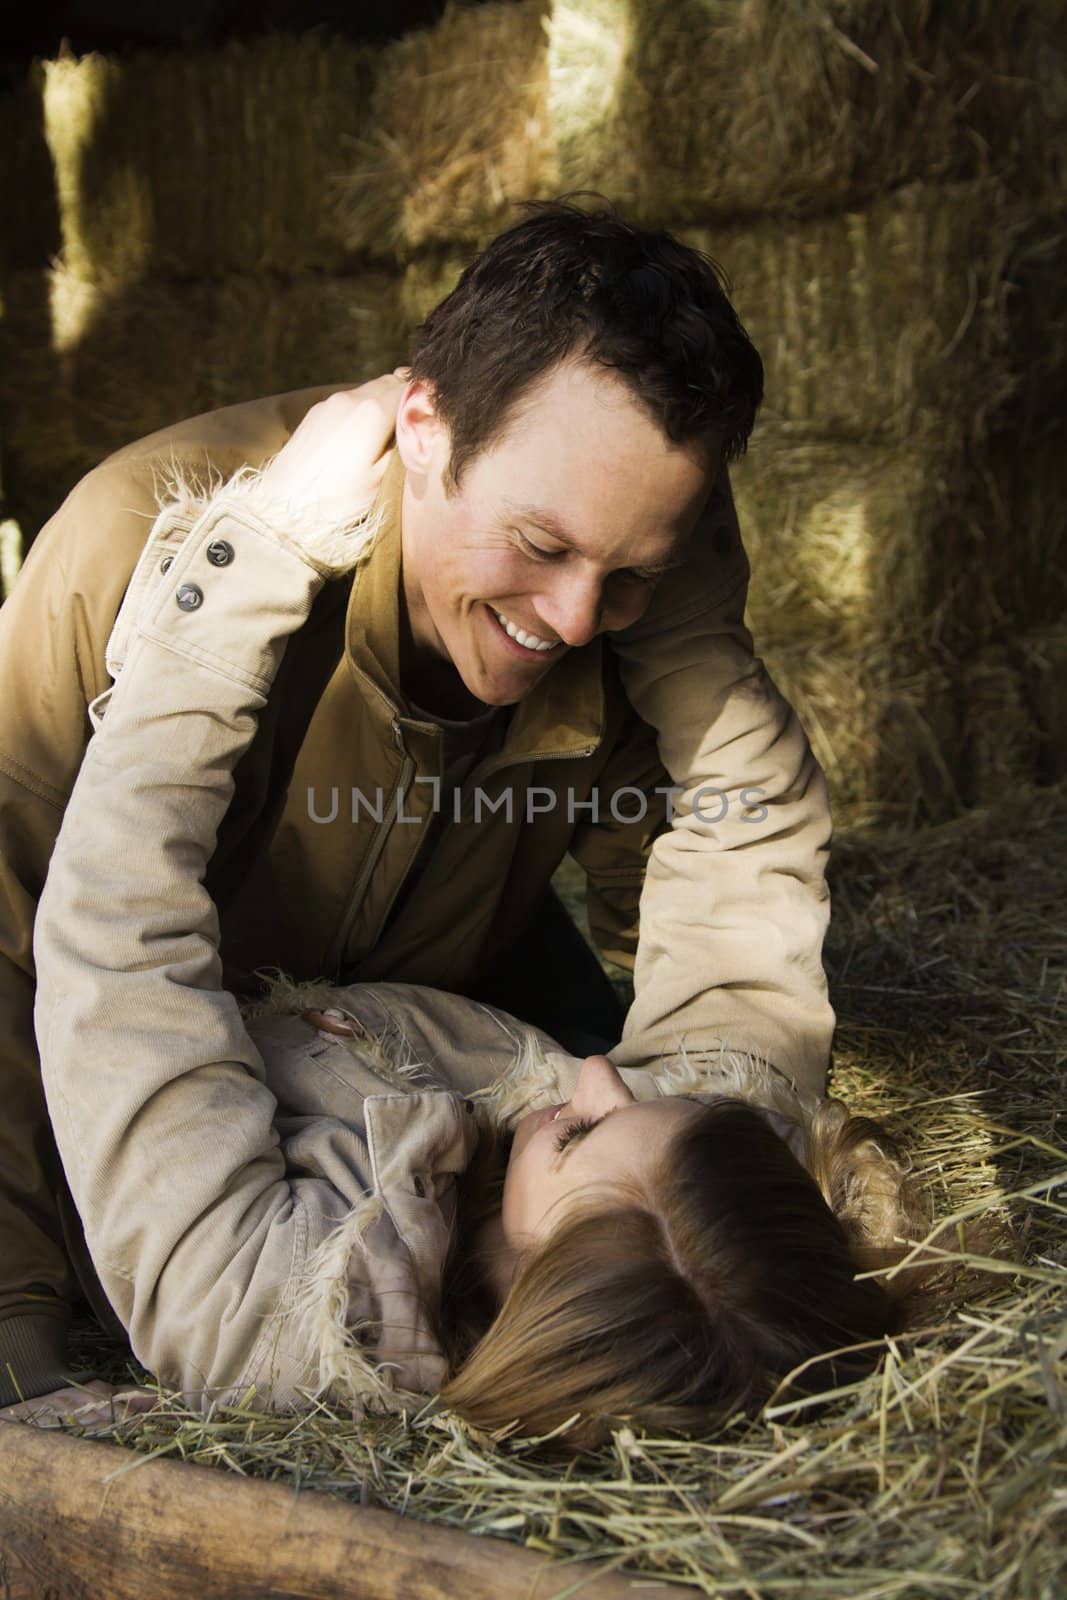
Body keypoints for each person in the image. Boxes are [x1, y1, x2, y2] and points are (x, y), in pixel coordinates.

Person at [0, 196, 836, 1416]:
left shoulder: (631, 600)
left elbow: (677, 898)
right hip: (138, 1057)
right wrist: (16, 1327)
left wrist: (689, 625)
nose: (568, 618)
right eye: (539, 544)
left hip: (428, 1015)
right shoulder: (137, 550)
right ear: (423, 427)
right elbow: (25, 935)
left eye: (632, 573)